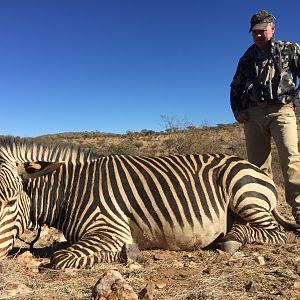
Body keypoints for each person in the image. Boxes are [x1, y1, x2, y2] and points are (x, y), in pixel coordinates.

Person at [230, 10, 300, 223]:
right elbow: (236, 85)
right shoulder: (247, 57)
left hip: (281, 110)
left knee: (291, 159)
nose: (259, 35)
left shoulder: (289, 49)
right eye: (255, 32)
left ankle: (298, 211)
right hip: (253, 115)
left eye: (263, 30)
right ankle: (264, 215)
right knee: (257, 166)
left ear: (272, 29)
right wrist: (238, 110)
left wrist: (295, 101)